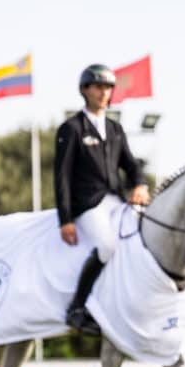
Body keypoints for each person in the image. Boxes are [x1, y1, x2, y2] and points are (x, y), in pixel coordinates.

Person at [54, 64, 150, 334]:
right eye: (98, 87)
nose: (104, 93)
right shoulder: (71, 129)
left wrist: (140, 185)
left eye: (108, 87)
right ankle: (77, 307)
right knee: (107, 246)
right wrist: (66, 219)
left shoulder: (115, 129)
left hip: (115, 201)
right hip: (87, 204)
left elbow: (132, 165)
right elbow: (61, 177)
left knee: (143, 239)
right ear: (85, 90)